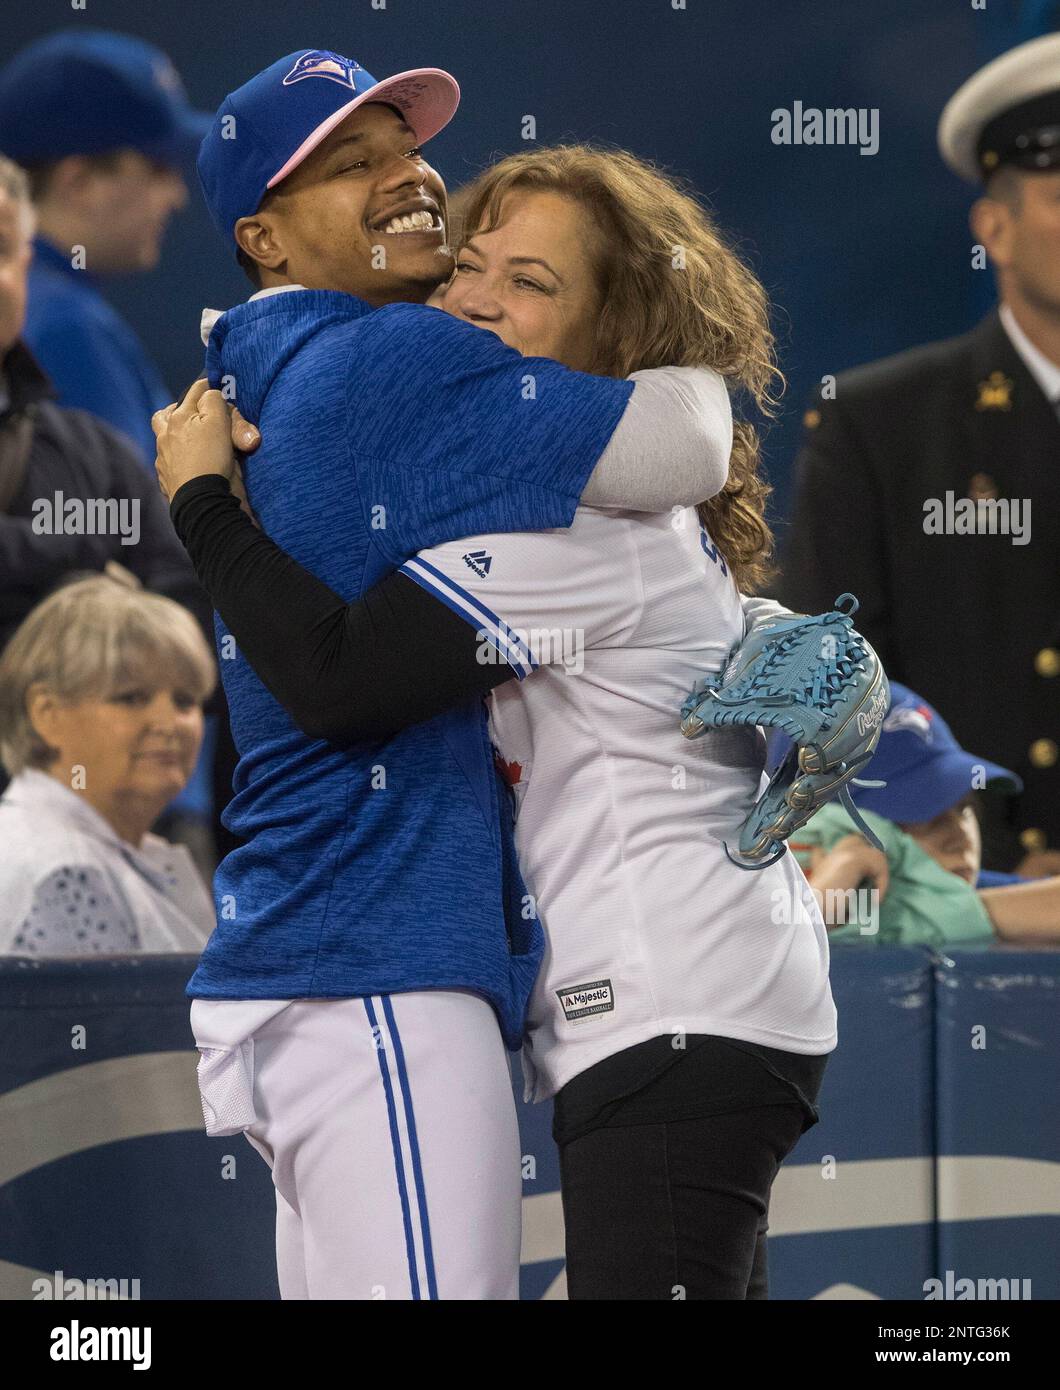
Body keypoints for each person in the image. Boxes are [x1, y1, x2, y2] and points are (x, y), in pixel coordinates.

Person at [156, 143, 839, 1301]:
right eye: (475, 264)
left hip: (671, 1004)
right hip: (685, 1005)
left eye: (533, 283)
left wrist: (203, 503)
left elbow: (339, 681)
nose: (476, 298)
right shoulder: (583, 504)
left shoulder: (578, 536)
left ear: (609, 340)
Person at [777, 32, 1060, 876]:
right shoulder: (880, 426)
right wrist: (989, 868)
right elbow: (831, 699)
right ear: (994, 229)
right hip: (963, 906)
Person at [0, 29, 210, 464]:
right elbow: (130, 525)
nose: (177, 196)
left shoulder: (42, 299)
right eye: (158, 168)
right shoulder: (62, 323)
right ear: (78, 181)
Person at [0, 572, 215, 954]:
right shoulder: (65, 870)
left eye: (184, 700)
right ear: (47, 714)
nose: (170, 725)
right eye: (131, 698)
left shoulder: (121, 850)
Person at [792, 683, 1060, 946]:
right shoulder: (771, 902)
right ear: (826, 828)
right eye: (921, 814)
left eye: (963, 807)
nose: (959, 838)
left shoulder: (960, 886)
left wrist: (940, 915)